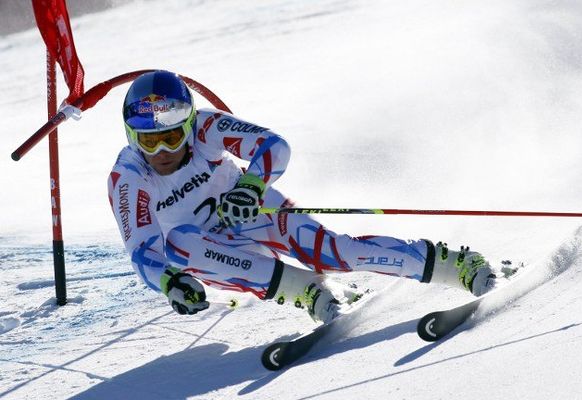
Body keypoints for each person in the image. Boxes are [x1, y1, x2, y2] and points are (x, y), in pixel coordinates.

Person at [108, 70, 497, 324]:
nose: (163, 152)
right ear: (132, 137)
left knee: (335, 252)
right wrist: (170, 283)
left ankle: (453, 264)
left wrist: (250, 187)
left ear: (189, 125)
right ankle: (306, 290)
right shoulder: (129, 178)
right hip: (212, 251)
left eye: (172, 137)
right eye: (150, 141)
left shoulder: (206, 127)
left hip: (252, 211)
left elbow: (274, 147)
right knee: (177, 244)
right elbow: (143, 251)